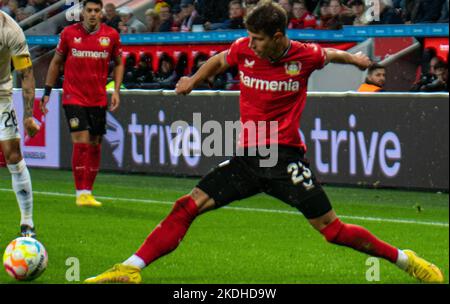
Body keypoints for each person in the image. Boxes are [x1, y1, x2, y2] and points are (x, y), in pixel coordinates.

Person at [85, 0, 444, 284]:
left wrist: (355, 59)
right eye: (250, 38)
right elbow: (220, 59)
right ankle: (130, 268)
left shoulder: (303, 55)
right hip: (248, 159)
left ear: (277, 35)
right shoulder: (244, 49)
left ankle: (405, 259)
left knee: (333, 231)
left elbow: (331, 54)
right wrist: (192, 80)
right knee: (186, 206)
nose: (251, 45)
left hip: (284, 160)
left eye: (258, 38)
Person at [41, 0, 124, 207]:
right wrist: (47, 92)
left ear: (101, 12)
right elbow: (56, 63)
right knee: (82, 140)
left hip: (97, 97)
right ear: (83, 12)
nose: (93, 14)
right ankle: (80, 193)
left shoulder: (111, 35)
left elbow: (120, 63)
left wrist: (116, 90)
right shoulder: (69, 33)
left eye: (97, 10)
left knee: (95, 143)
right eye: (89, 10)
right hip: (73, 96)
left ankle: (88, 191)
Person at [0, 10, 40, 238]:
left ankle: (27, 223)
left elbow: (26, 73)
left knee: (13, 155)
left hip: (1, 96)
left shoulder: (11, 30)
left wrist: (28, 115)